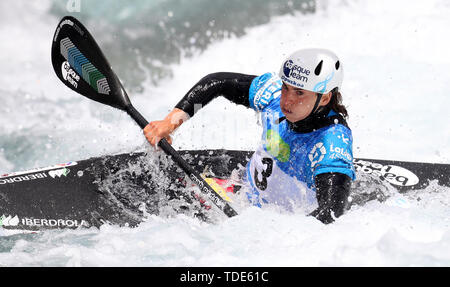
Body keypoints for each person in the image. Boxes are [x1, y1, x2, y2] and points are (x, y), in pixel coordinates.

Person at [144, 48, 355, 224]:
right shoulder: (273, 98)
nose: (287, 101)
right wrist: (170, 123)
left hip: (276, 224)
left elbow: (329, 213)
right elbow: (217, 82)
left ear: (325, 98)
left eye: (299, 93)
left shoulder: (332, 144)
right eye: (285, 88)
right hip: (241, 198)